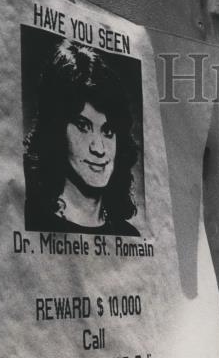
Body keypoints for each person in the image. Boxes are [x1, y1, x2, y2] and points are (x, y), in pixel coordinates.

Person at [24, 40, 140, 235]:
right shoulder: (31, 222)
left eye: (108, 131)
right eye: (83, 126)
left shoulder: (128, 234)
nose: (99, 148)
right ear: (56, 131)